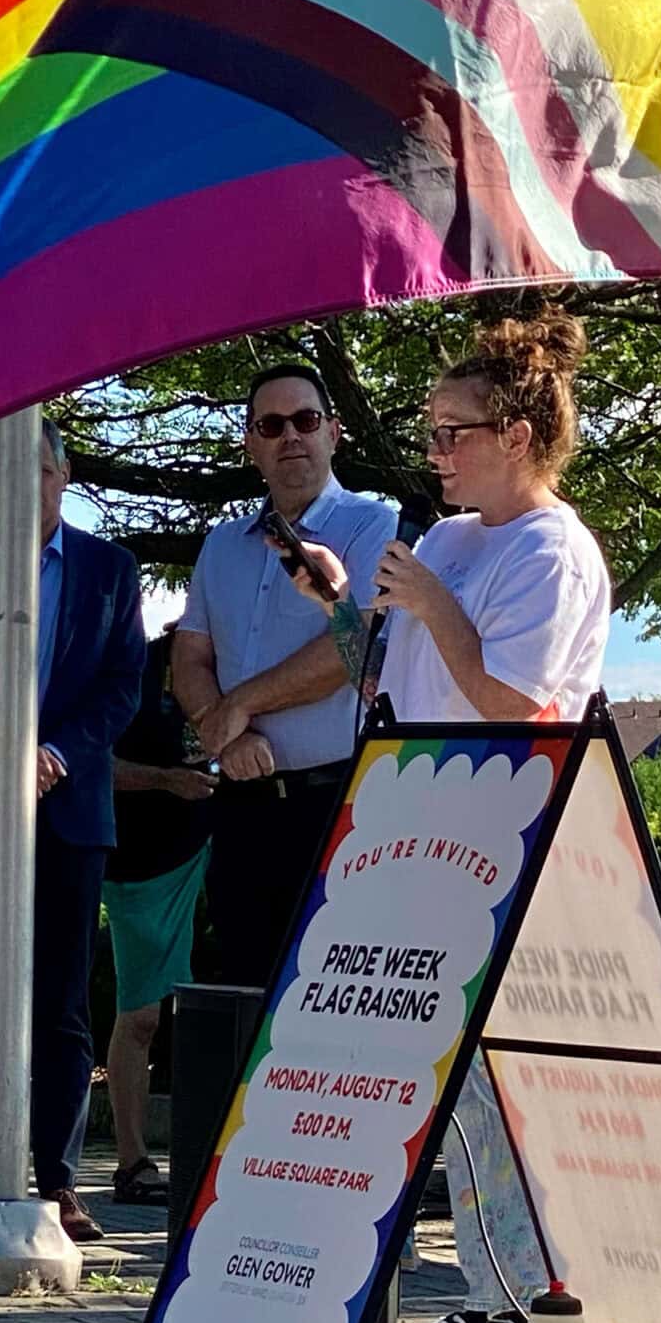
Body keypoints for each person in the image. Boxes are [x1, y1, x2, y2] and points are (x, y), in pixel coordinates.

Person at [280, 313, 610, 1323]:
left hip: (504, 846)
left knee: (496, 1091)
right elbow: (390, 679)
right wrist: (344, 604)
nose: (434, 453)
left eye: (450, 433)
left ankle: (518, 1314)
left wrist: (432, 603)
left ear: (516, 435)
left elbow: (517, 706)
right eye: (430, 434)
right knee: (445, 1088)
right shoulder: (456, 541)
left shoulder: (553, 552)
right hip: (410, 837)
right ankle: (476, 1304)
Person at [0, 419, 147, 1245]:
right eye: (6, 476)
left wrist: (52, 753)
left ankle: (58, 1180)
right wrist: (6, 745)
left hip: (70, 807)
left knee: (62, 1002)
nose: (24, 490)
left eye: (37, 473)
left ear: (61, 474)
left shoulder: (112, 572)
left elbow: (123, 689)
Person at [173, 363, 395, 990]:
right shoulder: (221, 545)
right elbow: (190, 656)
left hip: (338, 806)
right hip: (243, 814)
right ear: (251, 444)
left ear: (335, 432)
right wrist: (228, 737)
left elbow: (348, 654)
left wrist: (236, 706)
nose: (290, 436)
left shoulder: (375, 525)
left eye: (306, 420)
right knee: (248, 999)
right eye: (272, 425)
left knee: (333, 1002)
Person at [102, 624, 214, 1204]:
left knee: (226, 1011)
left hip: (222, 848)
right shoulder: (133, 667)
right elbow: (96, 761)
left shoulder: (248, 662)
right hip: (142, 863)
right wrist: (167, 781)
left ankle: (226, 1160)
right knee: (142, 1014)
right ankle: (132, 1160)